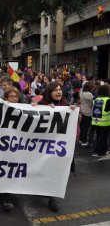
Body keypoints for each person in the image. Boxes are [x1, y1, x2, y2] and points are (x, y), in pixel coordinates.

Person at [37, 82, 76, 211]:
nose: (59, 92)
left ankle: (52, 198)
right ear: (49, 92)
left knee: (55, 171)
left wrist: (74, 112)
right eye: (55, 90)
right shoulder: (42, 105)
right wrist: (35, 107)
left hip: (57, 146)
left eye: (60, 89)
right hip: (42, 146)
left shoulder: (65, 105)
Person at [91, 84, 110, 157]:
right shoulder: (108, 100)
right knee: (102, 138)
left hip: (96, 121)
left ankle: (103, 151)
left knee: (100, 137)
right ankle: (96, 152)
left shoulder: (95, 99)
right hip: (105, 123)